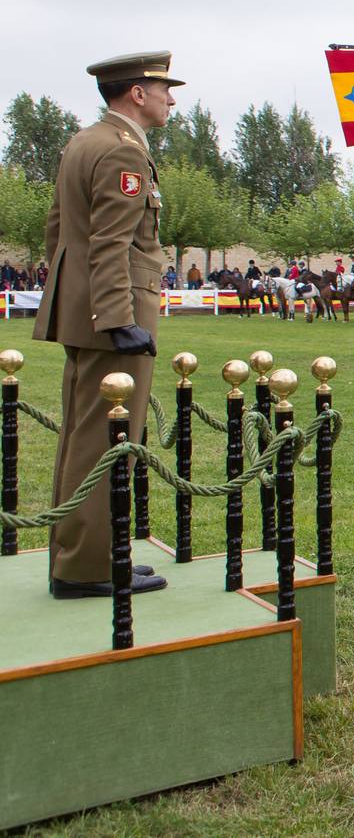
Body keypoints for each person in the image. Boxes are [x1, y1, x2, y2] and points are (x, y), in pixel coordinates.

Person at [36, 51, 183, 598]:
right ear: (136, 93)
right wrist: (118, 319)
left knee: (80, 437)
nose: (172, 98)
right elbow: (111, 244)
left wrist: (76, 304)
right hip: (114, 313)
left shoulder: (83, 141)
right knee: (104, 440)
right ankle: (88, 568)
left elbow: (59, 233)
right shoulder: (122, 151)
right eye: (163, 87)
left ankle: (78, 555)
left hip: (87, 310)